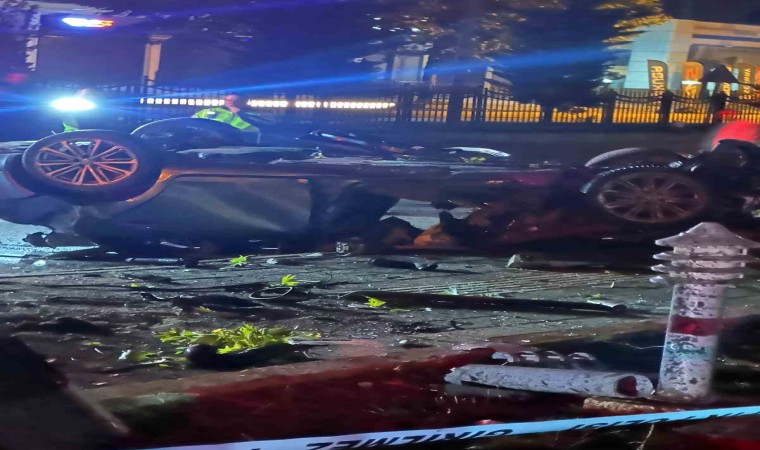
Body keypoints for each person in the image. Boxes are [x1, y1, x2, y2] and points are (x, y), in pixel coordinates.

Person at [192, 94, 262, 144]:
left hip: (238, 146)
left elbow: (260, 129)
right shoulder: (209, 111)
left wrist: (240, 113)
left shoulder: (253, 115)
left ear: (244, 102)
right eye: (227, 100)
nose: (230, 102)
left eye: (235, 101)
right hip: (206, 143)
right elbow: (190, 123)